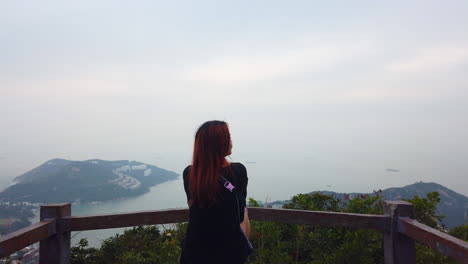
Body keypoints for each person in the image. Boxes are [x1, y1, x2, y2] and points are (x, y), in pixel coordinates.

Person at [180, 121, 250, 264]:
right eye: (228, 138)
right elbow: (241, 215)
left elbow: (193, 207)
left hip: (194, 253)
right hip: (228, 253)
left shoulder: (190, 174)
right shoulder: (238, 171)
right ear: (220, 143)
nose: (231, 142)